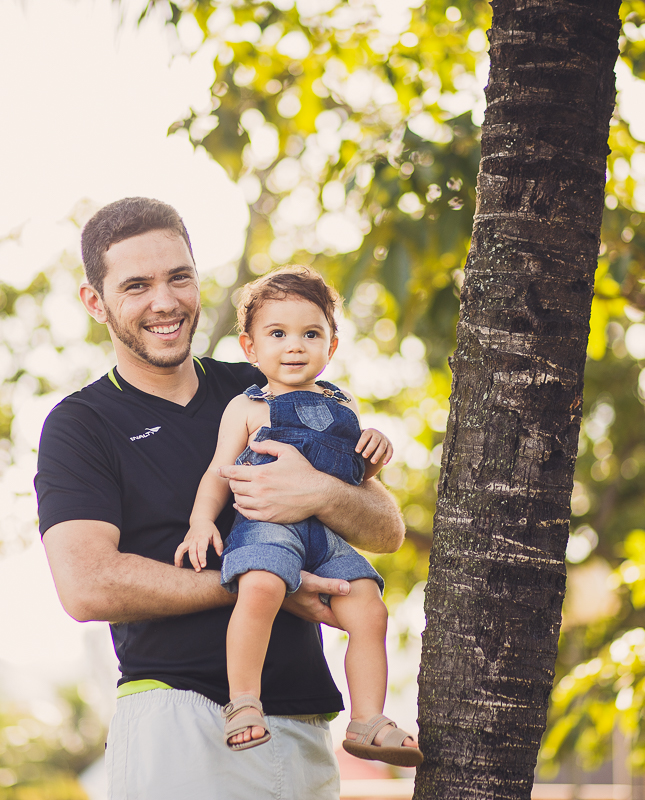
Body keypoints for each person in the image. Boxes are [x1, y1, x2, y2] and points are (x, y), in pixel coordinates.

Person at [35, 197, 406, 800]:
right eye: (137, 285)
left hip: (306, 725)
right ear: (95, 302)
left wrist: (319, 490)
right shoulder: (82, 424)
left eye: (179, 276)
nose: (165, 301)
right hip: (177, 719)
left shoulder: (262, 385)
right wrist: (268, 581)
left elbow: (385, 529)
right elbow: (88, 585)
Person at [174, 266, 424, 767]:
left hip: (324, 533)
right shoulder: (246, 406)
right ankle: (243, 701)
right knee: (261, 587)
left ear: (331, 347)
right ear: (250, 348)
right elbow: (218, 473)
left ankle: (367, 719)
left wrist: (375, 452)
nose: (294, 346)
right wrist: (201, 521)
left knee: (369, 607)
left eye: (311, 334)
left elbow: (356, 477)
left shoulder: (342, 401)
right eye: (278, 334)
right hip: (267, 525)